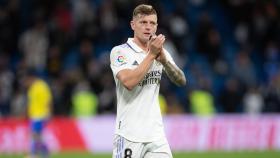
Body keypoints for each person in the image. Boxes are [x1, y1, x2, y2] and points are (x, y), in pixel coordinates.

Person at [110, 4, 186, 158]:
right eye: (143, 22)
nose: (148, 27)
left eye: (152, 23)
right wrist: (151, 55)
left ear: (157, 26)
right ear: (133, 25)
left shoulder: (160, 51)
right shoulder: (120, 51)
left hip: (156, 135)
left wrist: (165, 61)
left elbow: (181, 80)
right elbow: (129, 82)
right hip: (129, 135)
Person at [23, 71, 52, 158]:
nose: (26, 82)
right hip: (34, 115)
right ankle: (44, 153)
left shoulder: (41, 86)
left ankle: (33, 154)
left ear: (31, 78)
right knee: (37, 135)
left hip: (40, 115)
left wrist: (48, 113)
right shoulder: (33, 88)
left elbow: (48, 100)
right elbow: (31, 102)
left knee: (35, 134)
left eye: (26, 80)